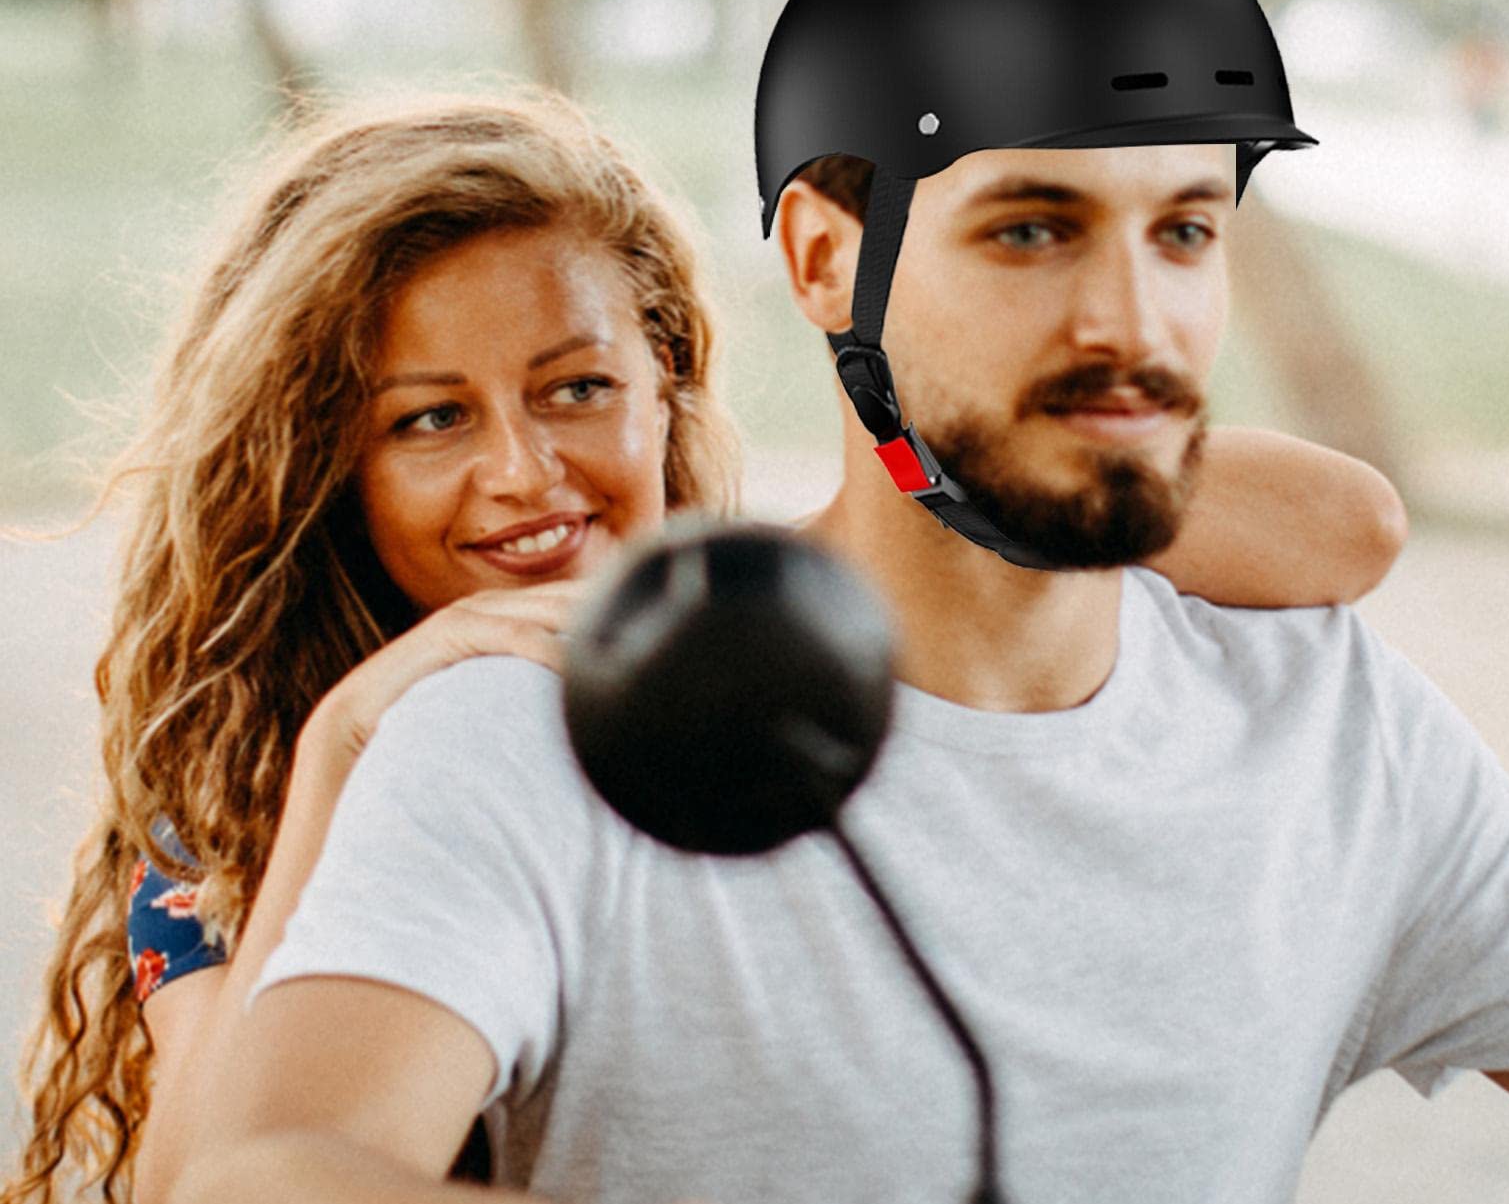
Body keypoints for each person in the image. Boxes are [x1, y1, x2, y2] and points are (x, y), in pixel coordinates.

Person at [162, 0, 1509, 1203]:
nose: (1131, 319)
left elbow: (1341, 520)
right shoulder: (522, 722)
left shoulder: (1331, 720)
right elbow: (265, 1176)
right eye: (1030, 229)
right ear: (817, 258)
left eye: (1182, 231)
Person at [4, 83, 1400, 1204]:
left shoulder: (761, 644)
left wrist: (911, 486)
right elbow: (201, 1185)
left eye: (578, 387)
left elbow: (1344, 529)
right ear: (328, 465)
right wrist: (338, 748)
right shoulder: (246, 792)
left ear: (664, 383)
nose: (525, 470)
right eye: (430, 417)